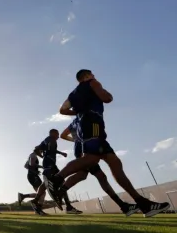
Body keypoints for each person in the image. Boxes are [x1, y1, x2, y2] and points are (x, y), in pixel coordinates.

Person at [45, 69, 170, 217]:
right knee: (91, 159)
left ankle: (143, 204)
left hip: (91, 126)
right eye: (91, 74)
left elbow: (63, 110)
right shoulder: (93, 83)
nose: (94, 76)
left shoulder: (72, 94)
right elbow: (107, 98)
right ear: (86, 76)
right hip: (93, 125)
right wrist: (105, 94)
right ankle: (56, 180)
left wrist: (79, 111)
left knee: (115, 162)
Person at [59, 117, 139, 216]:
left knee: (90, 176)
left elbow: (63, 135)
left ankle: (124, 206)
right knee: (96, 176)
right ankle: (59, 190)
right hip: (86, 151)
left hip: (81, 150)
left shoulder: (74, 122)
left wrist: (75, 140)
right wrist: (79, 140)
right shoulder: (85, 117)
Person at [38, 129, 82, 214]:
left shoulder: (46, 140)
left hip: (48, 163)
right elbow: (50, 148)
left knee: (47, 183)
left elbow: (37, 148)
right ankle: (67, 206)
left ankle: (36, 201)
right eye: (57, 134)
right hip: (50, 164)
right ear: (53, 133)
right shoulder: (51, 139)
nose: (58, 136)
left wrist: (42, 154)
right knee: (61, 181)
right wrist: (60, 153)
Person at [18, 148, 47, 215]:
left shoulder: (32, 155)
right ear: (38, 150)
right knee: (42, 192)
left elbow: (26, 166)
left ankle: (23, 196)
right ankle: (38, 209)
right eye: (41, 151)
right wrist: (42, 167)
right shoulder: (33, 155)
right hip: (33, 176)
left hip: (32, 175)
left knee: (40, 193)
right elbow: (31, 164)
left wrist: (34, 171)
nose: (41, 153)